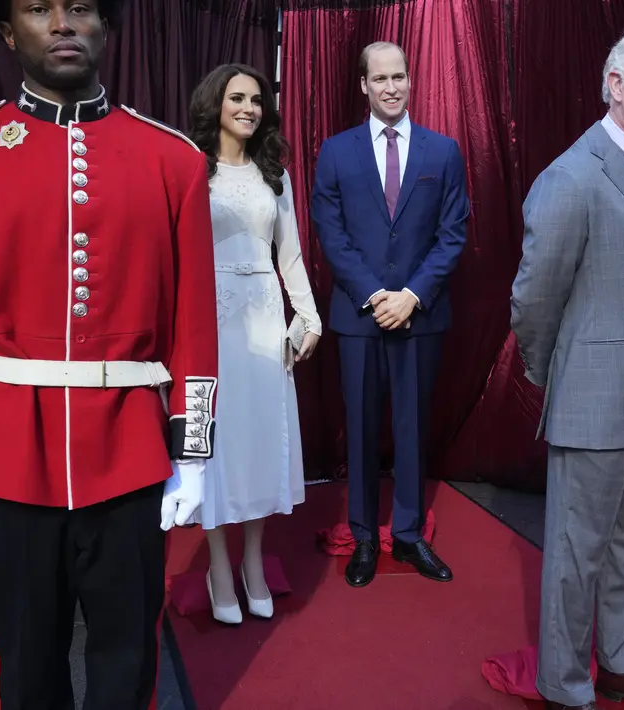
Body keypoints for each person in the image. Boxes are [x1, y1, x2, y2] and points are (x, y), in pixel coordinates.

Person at [0, 1, 217, 706]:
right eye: (39, 8)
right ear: (8, 31)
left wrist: (193, 453)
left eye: (80, 7)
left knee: (127, 658)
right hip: (4, 456)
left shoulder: (172, 158)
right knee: (23, 667)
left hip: (131, 450)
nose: (63, 23)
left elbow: (195, 324)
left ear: (105, 25)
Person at [510, 28, 624, 710]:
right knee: (574, 559)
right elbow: (533, 300)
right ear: (614, 84)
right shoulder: (572, 176)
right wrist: (559, 378)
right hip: (595, 408)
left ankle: (618, 663)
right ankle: (563, 688)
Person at [310, 41, 470, 588]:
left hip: (421, 316)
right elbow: (331, 234)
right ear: (363, 85)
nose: (392, 87)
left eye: (399, 76)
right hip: (360, 316)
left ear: (410, 80)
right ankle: (362, 538)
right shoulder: (335, 152)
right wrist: (377, 296)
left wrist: (411, 296)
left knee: (412, 427)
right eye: (380, 79)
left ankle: (407, 536)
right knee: (360, 427)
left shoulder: (443, 151)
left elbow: (453, 236)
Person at [186, 64, 321, 623]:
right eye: (237, 97)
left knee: (264, 439)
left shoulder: (275, 174)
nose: (248, 107)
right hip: (210, 322)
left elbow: (288, 253)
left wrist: (308, 316)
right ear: (214, 101)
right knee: (218, 443)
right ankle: (218, 562)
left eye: (257, 100)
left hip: (267, 321)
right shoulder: (193, 168)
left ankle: (252, 558)